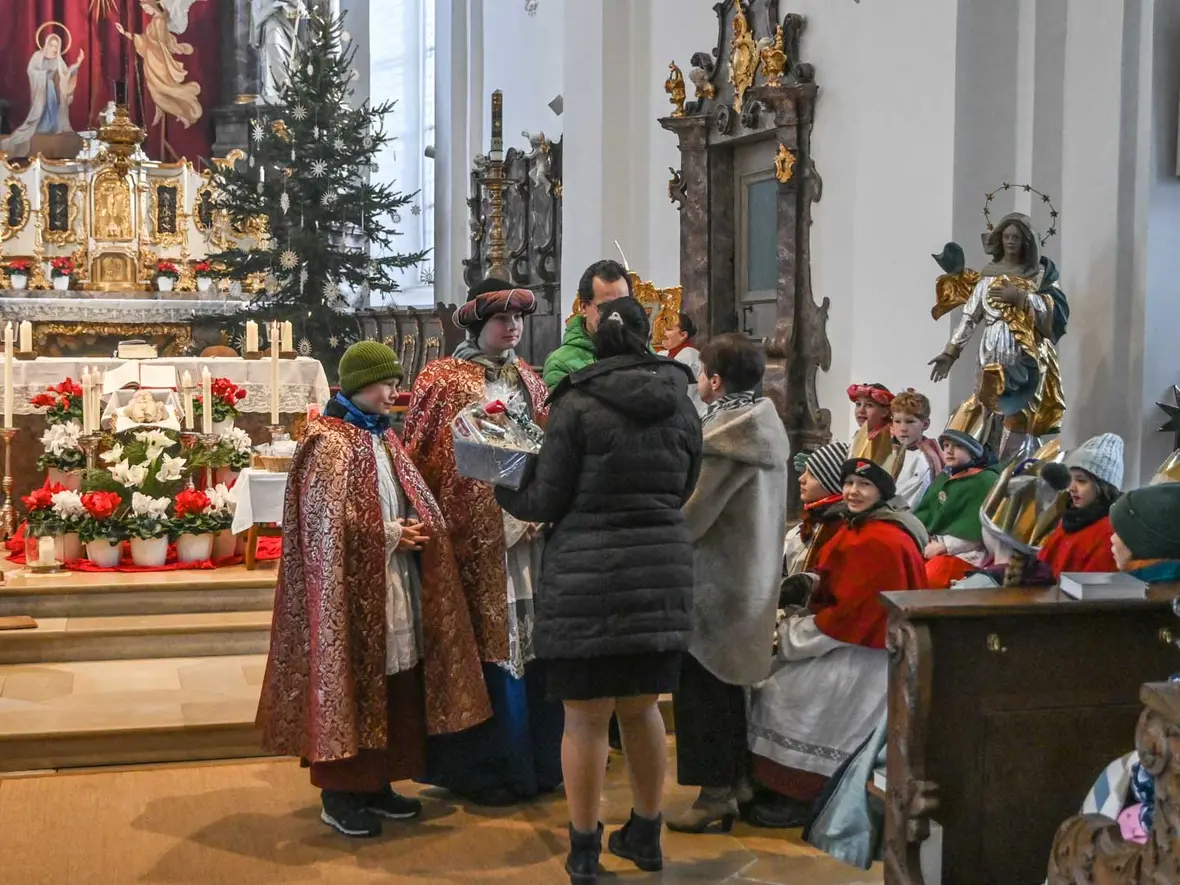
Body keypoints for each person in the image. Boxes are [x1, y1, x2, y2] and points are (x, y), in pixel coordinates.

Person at [497, 296, 702, 884]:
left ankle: (584, 852)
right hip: (661, 569)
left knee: (584, 720)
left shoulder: (576, 403)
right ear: (646, 337)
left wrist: (502, 479)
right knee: (643, 709)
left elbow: (543, 500)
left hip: (586, 575)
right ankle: (647, 832)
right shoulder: (681, 404)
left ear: (593, 341)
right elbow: (686, 482)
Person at [256, 342, 490, 838]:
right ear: (359, 384)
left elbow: (404, 493)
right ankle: (341, 791)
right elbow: (322, 525)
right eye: (386, 383)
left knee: (395, 675)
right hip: (350, 588)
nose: (395, 391)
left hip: (392, 579)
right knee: (355, 677)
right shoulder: (329, 441)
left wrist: (418, 525)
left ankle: (377, 781)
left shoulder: (383, 437)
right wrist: (387, 534)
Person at [403, 278, 563, 807]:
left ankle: (539, 762)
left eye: (518, 320)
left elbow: (547, 443)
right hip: (475, 537)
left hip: (529, 536)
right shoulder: (442, 378)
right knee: (486, 647)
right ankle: (488, 768)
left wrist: (541, 506)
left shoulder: (527, 376)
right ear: (476, 324)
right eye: (502, 320)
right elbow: (425, 455)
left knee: (530, 645)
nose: (513, 328)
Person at [745, 459, 928, 828]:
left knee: (790, 694)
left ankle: (805, 794)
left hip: (867, 656)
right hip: (847, 641)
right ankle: (775, 784)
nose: (853, 492)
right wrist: (809, 585)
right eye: (849, 483)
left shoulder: (883, 539)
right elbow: (836, 583)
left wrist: (793, 637)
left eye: (864, 485)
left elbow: (854, 617)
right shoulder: (857, 524)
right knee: (775, 681)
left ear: (882, 493)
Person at [668, 333, 790, 834]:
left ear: (714, 382)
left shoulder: (724, 438)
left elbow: (692, 517)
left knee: (703, 690)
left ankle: (715, 793)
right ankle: (737, 782)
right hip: (751, 577)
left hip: (716, 582)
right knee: (729, 688)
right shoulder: (763, 423)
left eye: (702, 374)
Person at [913, 424, 1000, 588]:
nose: (949, 451)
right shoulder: (946, 476)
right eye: (946, 445)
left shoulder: (984, 480)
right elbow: (927, 511)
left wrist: (943, 546)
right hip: (933, 544)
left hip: (967, 553)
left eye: (958, 446)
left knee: (930, 579)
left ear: (973, 450)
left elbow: (976, 529)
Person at [1036, 433, 1123, 579]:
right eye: (1070, 479)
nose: (1071, 487)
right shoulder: (1068, 520)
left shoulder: (1109, 532)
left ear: (1103, 486)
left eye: (1081, 481)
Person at [542, 259, 632, 389]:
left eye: (624, 305)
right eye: (606, 308)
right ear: (583, 307)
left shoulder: (643, 349)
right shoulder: (560, 363)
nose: (617, 315)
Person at [784, 441, 850, 577]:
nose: (801, 479)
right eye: (805, 471)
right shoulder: (811, 522)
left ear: (833, 483)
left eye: (813, 474)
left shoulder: (835, 531)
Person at [883, 390, 945, 510]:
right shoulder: (892, 451)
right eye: (897, 421)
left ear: (925, 424)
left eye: (910, 422)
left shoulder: (924, 460)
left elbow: (909, 502)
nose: (903, 428)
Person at [660, 312, 706, 417]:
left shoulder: (689, 356)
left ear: (683, 335)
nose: (663, 333)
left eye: (669, 329)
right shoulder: (664, 353)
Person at [847, 383, 894, 465]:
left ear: (885, 412)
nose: (861, 410)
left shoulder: (889, 438)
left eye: (869, 405)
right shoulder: (860, 435)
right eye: (858, 404)